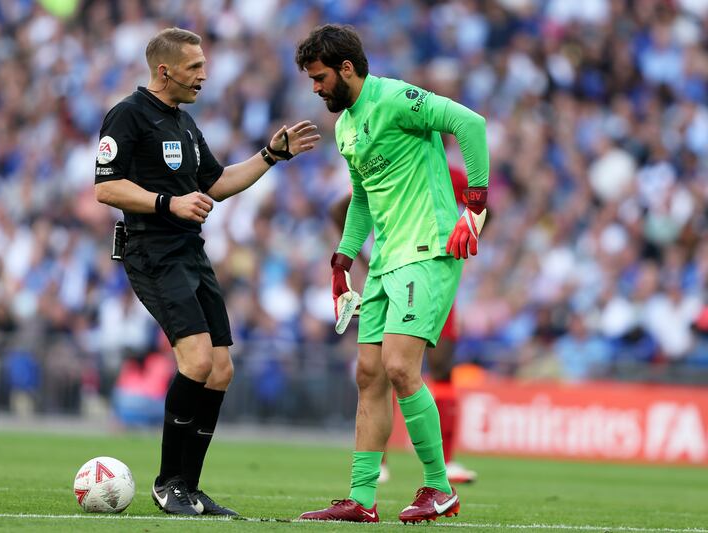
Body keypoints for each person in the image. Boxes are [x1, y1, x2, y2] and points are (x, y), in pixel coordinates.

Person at [94, 27, 319, 517]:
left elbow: (216, 183)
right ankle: (166, 483)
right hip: (151, 251)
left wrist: (270, 155)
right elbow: (106, 189)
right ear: (164, 70)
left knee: (220, 370)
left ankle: (189, 489)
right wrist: (167, 202)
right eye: (194, 67)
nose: (204, 75)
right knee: (195, 361)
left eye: (204, 65)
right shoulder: (128, 115)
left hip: (191, 253)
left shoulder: (184, 124)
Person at [295, 24, 488, 523]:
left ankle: (438, 488)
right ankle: (361, 499)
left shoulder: (397, 97)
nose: (315, 89)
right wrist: (341, 260)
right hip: (384, 261)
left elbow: (470, 124)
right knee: (369, 375)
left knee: (402, 367)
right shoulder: (345, 127)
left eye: (319, 78)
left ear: (346, 68)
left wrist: (476, 203)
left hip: (428, 248)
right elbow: (362, 197)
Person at [328, 167, 478, 486]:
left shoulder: (451, 173)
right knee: (384, 368)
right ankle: (378, 465)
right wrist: (357, 258)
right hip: (391, 269)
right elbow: (344, 207)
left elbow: (482, 205)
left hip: (433, 270)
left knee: (436, 365)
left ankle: (443, 469)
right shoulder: (389, 160)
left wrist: (466, 238)